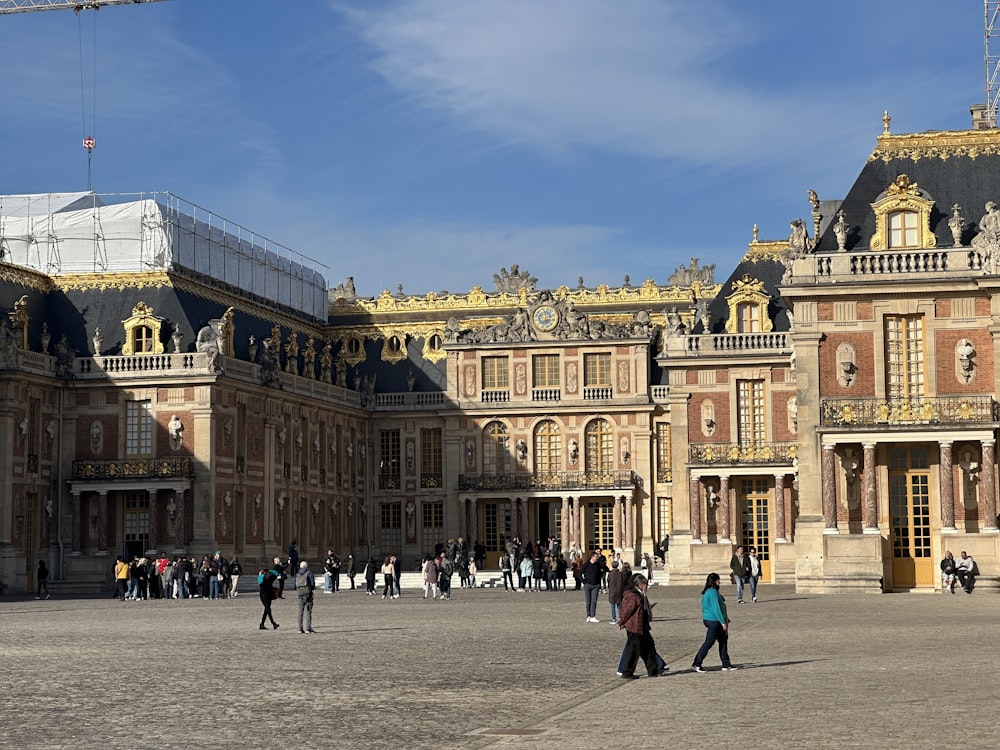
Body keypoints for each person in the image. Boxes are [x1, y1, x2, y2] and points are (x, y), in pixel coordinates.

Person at [617, 573, 666, 679]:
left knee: (648, 648)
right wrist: (621, 622)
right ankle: (627, 672)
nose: (647, 586)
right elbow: (626, 611)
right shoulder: (634, 596)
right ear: (639, 585)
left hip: (642, 626)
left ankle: (653, 670)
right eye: (645, 584)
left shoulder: (640, 595)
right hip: (635, 627)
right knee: (633, 650)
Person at [691, 572, 737, 672]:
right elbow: (717, 608)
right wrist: (723, 622)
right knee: (709, 642)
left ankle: (726, 664)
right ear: (714, 581)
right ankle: (697, 663)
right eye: (718, 580)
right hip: (714, 620)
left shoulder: (709, 591)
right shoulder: (712, 592)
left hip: (712, 619)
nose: (719, 582)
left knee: (723, 640)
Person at [581, 551, 603, 623]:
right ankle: (588, 616)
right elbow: (580, 573)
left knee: (594, 601)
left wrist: (599, 584)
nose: (597, 558)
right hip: (588, 584)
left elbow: (600, 574)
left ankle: (593, 616)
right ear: (592, 557)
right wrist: (584, 582)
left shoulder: (598, 565)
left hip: (596, 585)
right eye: (596, 557)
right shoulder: (586, 565)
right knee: (588, 601)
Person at [295, 561, 316, 634]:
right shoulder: (309, 573)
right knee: (308, 611)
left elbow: (296, 585)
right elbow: (312, 584)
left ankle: (299, 628)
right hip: (308, 594)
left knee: (300, 611)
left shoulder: (297, 574)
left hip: (300, 593)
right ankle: (308, 628)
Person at [607, 559, 624, 624]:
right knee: (619, 606)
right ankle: (620, 618)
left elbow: (608, 580)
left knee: (612, 605)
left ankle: (613, 618)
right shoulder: (620, 574)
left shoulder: (610, 574)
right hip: (619, 590)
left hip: (612, 590)